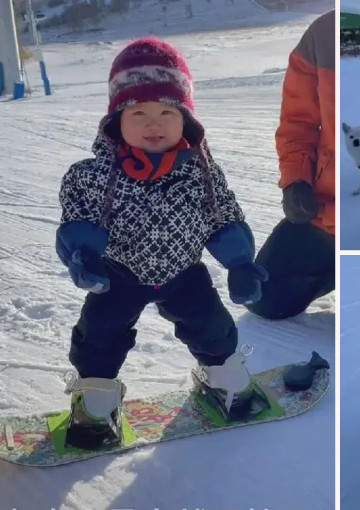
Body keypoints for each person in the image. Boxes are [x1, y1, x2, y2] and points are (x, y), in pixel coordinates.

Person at [56, 37, 268, 449]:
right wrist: (84, 257)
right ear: (116, 119)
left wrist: (240, 262)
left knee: (212, 327)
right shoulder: (93, 175)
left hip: (184, 273)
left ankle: (222, 377)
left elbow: (222, 215)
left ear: (185, 118)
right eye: (138, 113)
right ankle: (96, 400)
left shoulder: (202, 172)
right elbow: (78, 217)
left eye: (166, 112)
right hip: (118, 275)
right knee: (99, 334)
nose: (153, 124)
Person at [245, 10, 335, 321]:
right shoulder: (323, 34)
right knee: (263, 298)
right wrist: (296, 179)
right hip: (326, 213)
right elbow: (298, 122)